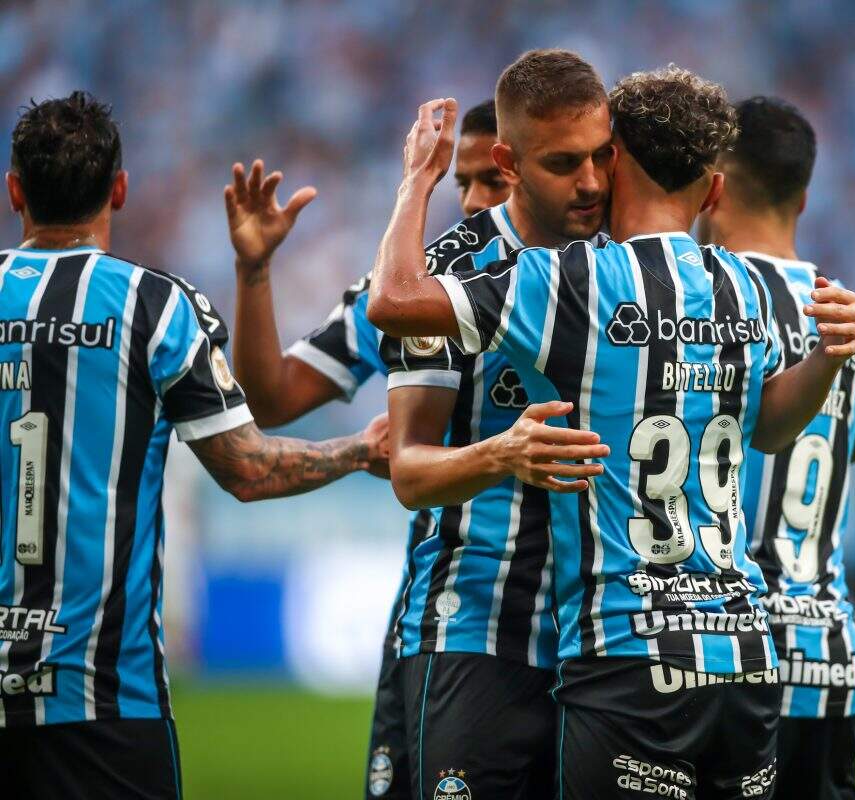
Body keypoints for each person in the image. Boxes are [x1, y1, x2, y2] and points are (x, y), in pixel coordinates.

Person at [367, 66, 855, 799]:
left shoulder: (571, 280)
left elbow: (394, 300)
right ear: (714, 190)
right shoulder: (744, 283)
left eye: (599, 158)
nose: (590, 182)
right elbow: (766, 429)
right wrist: (826, 355)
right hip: (715, 648)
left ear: (619, 158)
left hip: (623, 647)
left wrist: (417, 178)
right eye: (568, 162)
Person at [226, 50, 613, 800]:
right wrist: (253, 274)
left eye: (486, 181)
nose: (469, 198)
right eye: (459, 180)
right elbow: (270, 397)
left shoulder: (614, 266)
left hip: (591, 635)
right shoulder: (422, 288)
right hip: (462, 621)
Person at [0, 92, 387, 799]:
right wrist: (359, 450)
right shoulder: (156, 307)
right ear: (119, 190)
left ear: (14, 190)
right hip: (107, 701)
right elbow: (249, 469)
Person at [698, 95, 855, 800]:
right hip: (826, 657)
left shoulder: (702, 301)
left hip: (722, 654)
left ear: (711, 185)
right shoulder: (851, 321)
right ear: (802, 199)